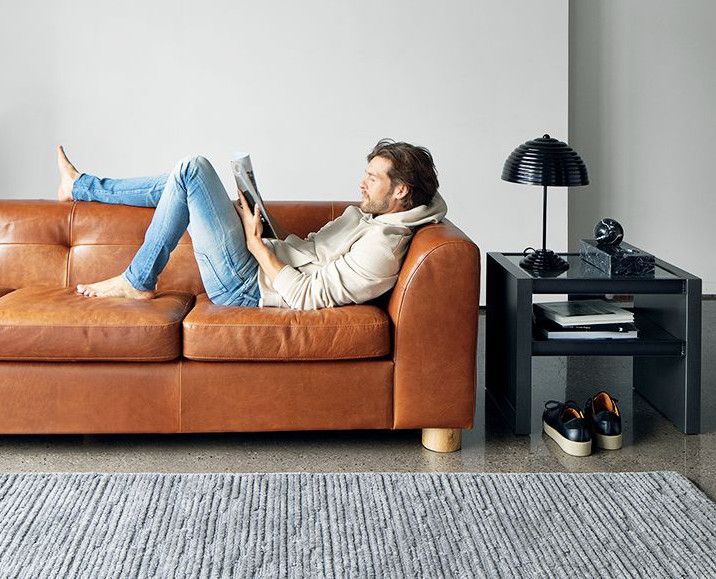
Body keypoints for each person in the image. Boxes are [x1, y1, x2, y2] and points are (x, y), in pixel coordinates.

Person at [56, 139, 448, 310]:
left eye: (373, 178)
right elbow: (309, 256)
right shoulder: (379, 213)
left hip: (244, 285)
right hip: (255, 261)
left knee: (192, 169)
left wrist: (257, 245)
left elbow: (309, 295)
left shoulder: (384, 247)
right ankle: (80, 185)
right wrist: (259, 223)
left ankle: (138, 280)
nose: (361, 183)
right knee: (183, 182)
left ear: (401, 191)